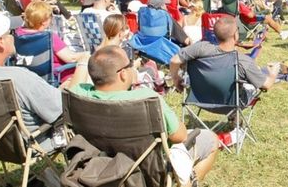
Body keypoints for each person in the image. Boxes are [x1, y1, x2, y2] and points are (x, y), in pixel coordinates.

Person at [71, 46, 217, 184]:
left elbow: (72, 87)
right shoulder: (146, 98)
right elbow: (180, 137)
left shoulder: (77, 94)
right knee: (211, 139)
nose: (133, 68)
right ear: (122, 74)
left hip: (98, 166)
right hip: (146, 171)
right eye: (130, 65)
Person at [0, 12, 88, 151]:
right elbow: (65, 109)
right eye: (9, 33)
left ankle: (42, 173)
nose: (13, 37)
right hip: (25, 145)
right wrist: (82, 64)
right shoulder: (18, 77)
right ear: (1, 41)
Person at [169, 15, 280, 101]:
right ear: (236, 35)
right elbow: (266, 85)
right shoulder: (242, 61)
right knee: (250, 88)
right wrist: (273, 73)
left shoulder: (199, 48)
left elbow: (174, 60)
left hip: (199, 99)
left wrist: (176, 79)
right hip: (231, 103)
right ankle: (235, 121)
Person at [15, 0, 88, 86]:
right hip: (58, 76)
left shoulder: (19, 33)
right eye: (51, 16)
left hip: (31, 74)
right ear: (44, 21)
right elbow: (71, 58)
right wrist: (87, 54)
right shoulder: (48, 37)